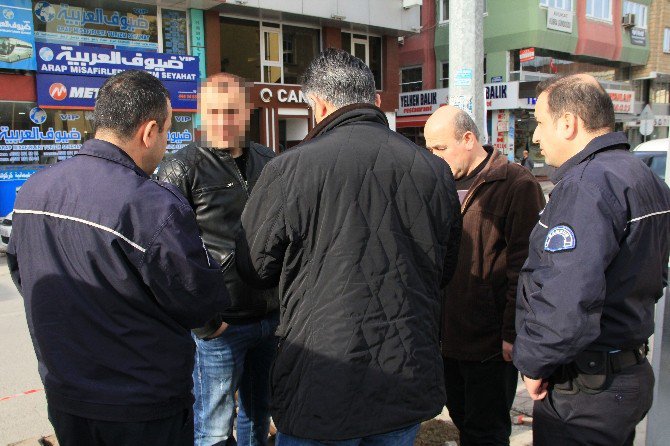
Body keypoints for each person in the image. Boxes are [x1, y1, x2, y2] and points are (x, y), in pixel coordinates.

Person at [235, 48, 462, 445]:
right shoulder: (434, 170)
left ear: (318, 105)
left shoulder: (289, 168)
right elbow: (445, 267)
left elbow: (254, 266)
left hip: (320, 383)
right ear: (374, 101)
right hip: (402, 376)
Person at [6, 70, 231, 446]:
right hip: (142, 406)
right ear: (149, 131)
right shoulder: (151, 205)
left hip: (67, 395)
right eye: (167, 132)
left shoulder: (33, 190)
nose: (165, 145)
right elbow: (196, 299)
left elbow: (24, 276)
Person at [513, 74, 670, 446]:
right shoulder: (642, 177)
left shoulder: (586, 185)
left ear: (568, 124)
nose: (536, 136)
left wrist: (534, 362)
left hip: (586, 389)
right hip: (622, 374)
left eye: (540, 122)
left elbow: (567, 293)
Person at [158, 73, 278, 446]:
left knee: (259, 416)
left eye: (231, 112)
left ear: (248, 111)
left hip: (270, 320)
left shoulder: (269, 161)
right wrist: (206, 323)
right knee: (212, 426)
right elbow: (169, 255)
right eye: (212, 112)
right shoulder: (180, 168)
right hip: (221, 327)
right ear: (199, 114)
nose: (222, 122)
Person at [424, 105, 545, 446]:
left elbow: (526, 266)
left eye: (440, 148)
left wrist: (512, 333)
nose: (433, 156)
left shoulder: (516, 183)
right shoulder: (437, 183)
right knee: (462, 420)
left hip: (489, 344)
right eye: (429, 148)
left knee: (486, 432)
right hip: (446, 338)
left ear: (468, 139)